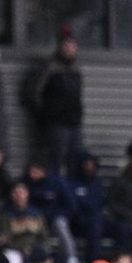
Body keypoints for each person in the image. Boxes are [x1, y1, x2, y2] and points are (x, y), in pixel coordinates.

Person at [32, 25, 84, 177]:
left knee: (76, 161)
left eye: (72, 44)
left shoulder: (76, 68)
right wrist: (48, 114)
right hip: (57, 125)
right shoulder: (49, 67)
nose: (69, 48)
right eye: (66, 44)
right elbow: (34, 93)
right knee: (55, 161)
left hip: (74, 123)